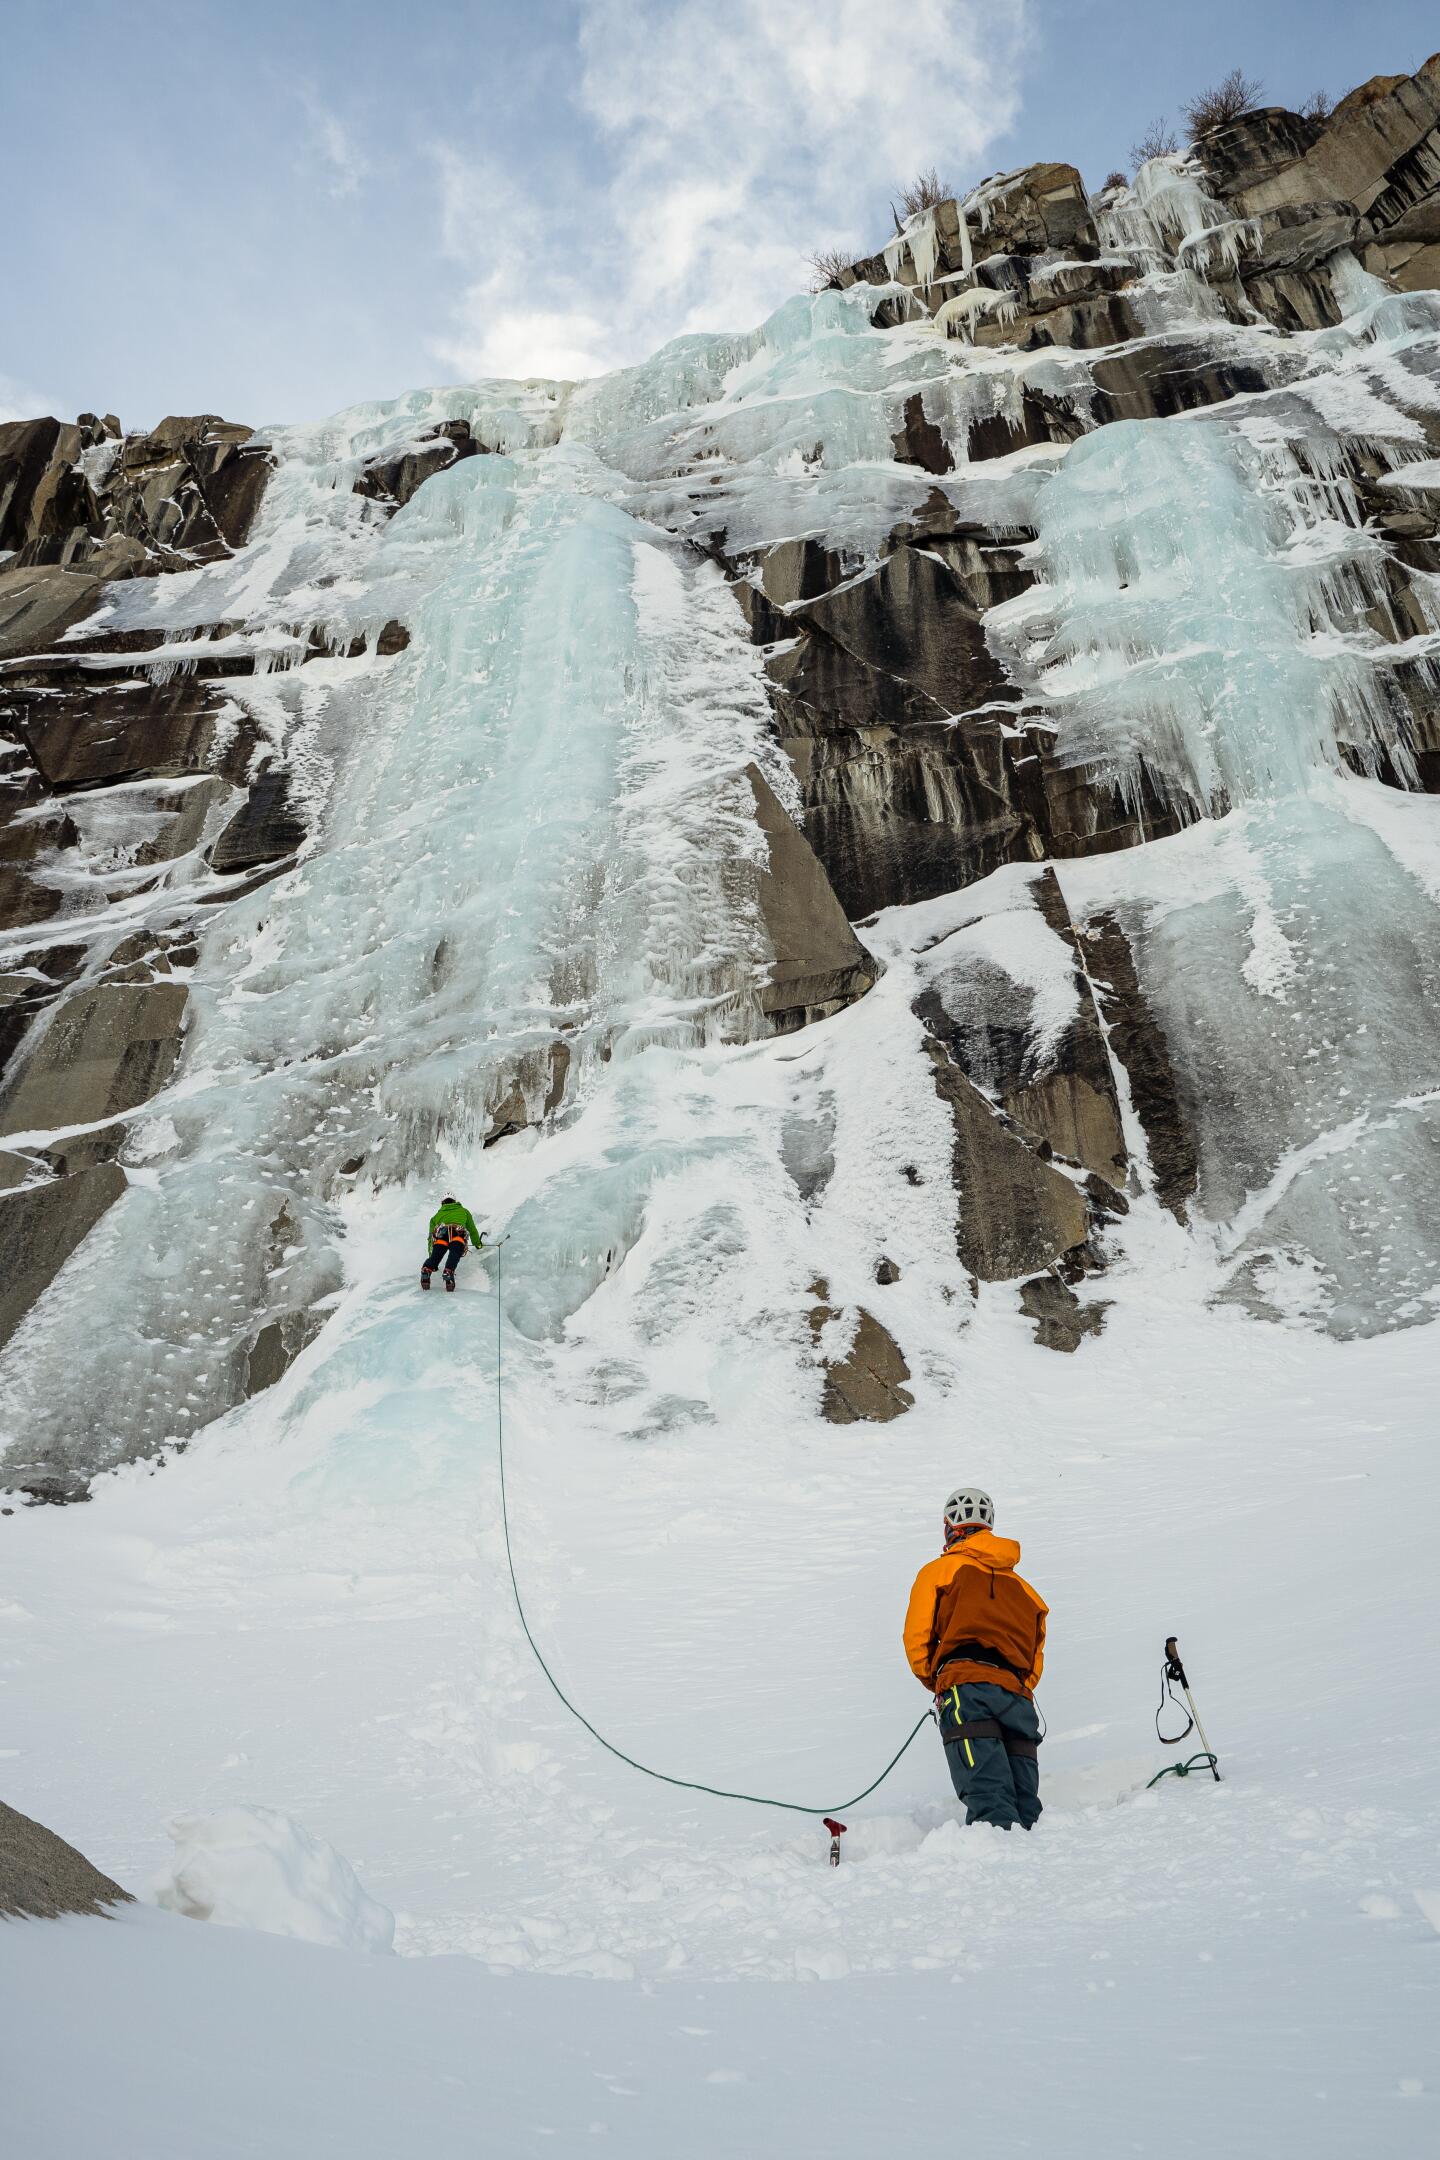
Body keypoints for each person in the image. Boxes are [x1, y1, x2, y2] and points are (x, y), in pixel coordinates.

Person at [902, 1487, 1047, 1832]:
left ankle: (999, 1874)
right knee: (1026, 1805)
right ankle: (1038, 1864)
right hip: (1016, 1696)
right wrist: (1018, 1686)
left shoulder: (938, 1571)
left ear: (950, 1526)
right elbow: (1035, 1656)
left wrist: (935, 1679)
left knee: (990, 1800)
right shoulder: (1028, 1592)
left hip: (965, 1686)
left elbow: (916, 1637)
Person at [421, 1195, 486, 1292]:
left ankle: (427, 1269)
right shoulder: (464, 1211)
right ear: (455, 1201)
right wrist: (478, 1244)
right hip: (457, 1232)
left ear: (443, 1203)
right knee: (455, 1251)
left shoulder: (435, 1216)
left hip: (441, 1234)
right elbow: (472, 1230)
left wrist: (431, 1255)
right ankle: (448, 1271)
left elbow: (430, 1238)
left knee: (437, 1253)